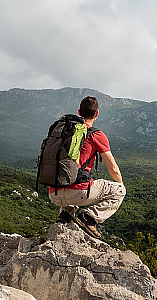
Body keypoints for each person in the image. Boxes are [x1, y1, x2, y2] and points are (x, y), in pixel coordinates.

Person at [49, 96, 125, 238]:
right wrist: (119, 187)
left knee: (74, 177)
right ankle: (89, 218)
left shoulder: (63, 131)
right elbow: (113, 168)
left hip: (54, 193)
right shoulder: (96, 134)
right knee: (119, 190)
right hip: (78, 193)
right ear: (97, 114)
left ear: (79, 112)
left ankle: (65, 214)